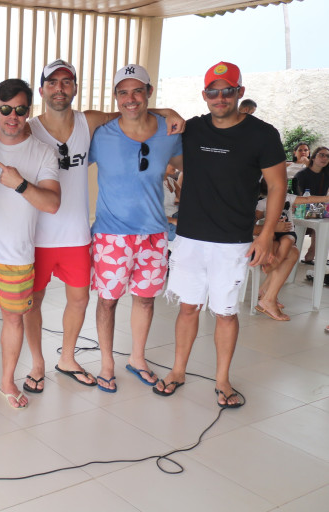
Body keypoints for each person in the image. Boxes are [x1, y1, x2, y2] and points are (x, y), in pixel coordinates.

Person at [21, 59, 184, 394]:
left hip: (80, 234)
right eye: (52, 82)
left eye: (66, 82)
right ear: (42, 89)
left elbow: (130, 110)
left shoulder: (89, 123)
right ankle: (39, 364)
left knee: (83, 301)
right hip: (40, 234)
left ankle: (70, 358)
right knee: (33, 303)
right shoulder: (29, 129)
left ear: (75, 88)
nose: (59, 88)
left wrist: (167, 111)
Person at [156, 61, 287, 408]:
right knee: (188, 308)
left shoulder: (262, 134)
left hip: (234, 241)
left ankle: (222, 380)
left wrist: (266, 235)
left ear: (240, 92)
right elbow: (145, 115)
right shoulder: (193, 129)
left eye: (228, 90)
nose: (220, 97)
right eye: (213, 92)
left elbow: (277, 186)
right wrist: (168, 111)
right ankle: (178, 371)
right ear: (204, 95)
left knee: (226, 312)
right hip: (190, 237)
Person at [0, 79, 59, 409]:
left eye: (19, 109)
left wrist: (20, 184)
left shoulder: (43, 152)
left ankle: (7, 382)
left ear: (28, 111)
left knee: (14, 320)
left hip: (18, 255)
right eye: (5, 109)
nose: (12, 116)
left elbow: (52, 203)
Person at [89, 64, 183, 393]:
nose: (130, 99)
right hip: (111, 235)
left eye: (137, 91)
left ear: (149, 92)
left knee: (145, 300)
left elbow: (187, 168)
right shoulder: (102, 134)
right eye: (123, 92)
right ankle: (106, 363)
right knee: (107, 301)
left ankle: (137, 358)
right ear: (115, 96)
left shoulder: (169, 132)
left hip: (154, 233)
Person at [253, 180, 329, 320]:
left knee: (289, 246)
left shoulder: (288, 198)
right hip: (267, 236)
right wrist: (269, 225)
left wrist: (325, 198)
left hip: (285, 232)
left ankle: (266, 290)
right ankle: (267, 295)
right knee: (282, 247)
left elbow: (307, 199)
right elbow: (253, 223)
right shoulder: (262, 203)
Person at [294, 146, 329, 264]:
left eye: (327, 156)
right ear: (313, 157)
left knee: (323, 217)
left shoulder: (326, 175)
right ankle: (312, 252)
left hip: (319, 208)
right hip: (301, 208)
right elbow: (297, 198)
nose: (325, 158)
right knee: (322, 218)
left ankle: (314, 252)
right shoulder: (302, 174)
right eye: (321, 155)